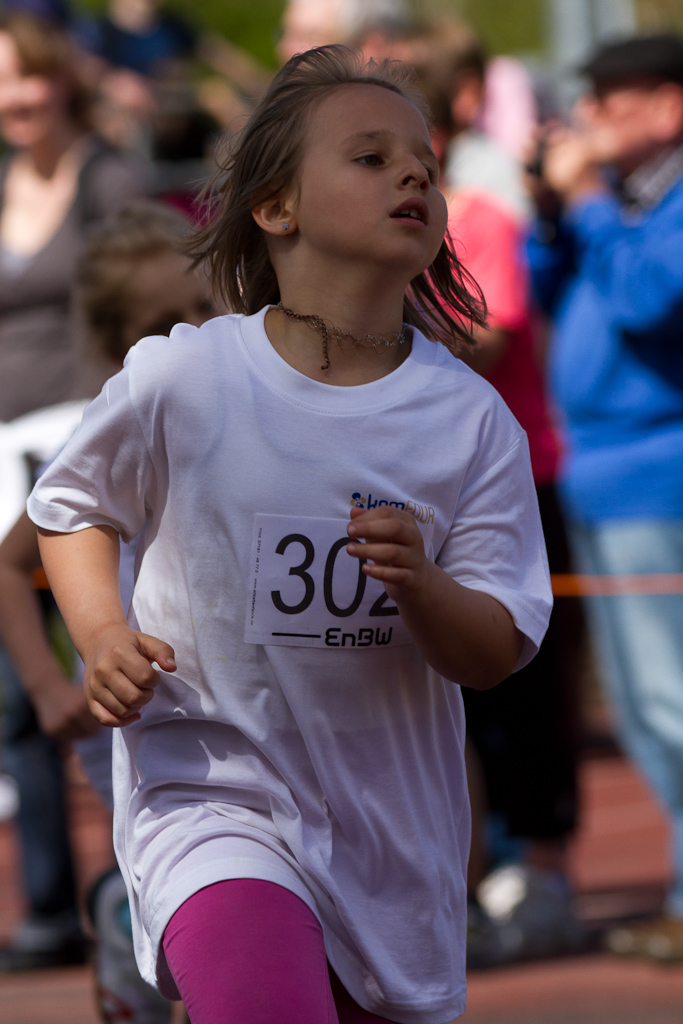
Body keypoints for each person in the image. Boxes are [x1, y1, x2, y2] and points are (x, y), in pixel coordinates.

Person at [28, 46, 551, 1023]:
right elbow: (70, 508)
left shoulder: (470, 422)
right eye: (370, 157)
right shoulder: (185, 377)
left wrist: (424, 587)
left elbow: (493, 651)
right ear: (275, 208)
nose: (412, 176)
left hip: (386, 834)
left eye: (426, 166)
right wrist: (99, 636)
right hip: (208, 799)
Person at [0, 201, 214, 1017]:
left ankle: (124, 917)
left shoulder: (258, 420)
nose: (192, 333)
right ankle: (121, 918)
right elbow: (8, 566)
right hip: (129, 730)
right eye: (163, 324)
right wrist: (47, 684)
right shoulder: (103, 440)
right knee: (176, 927)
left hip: (233, 716)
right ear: (117, 343)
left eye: (204, 307)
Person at [526, 33, 683, 962]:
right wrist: (556, 215)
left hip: (655, 475)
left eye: (607, 103)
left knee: (671, 698)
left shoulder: (659, 204)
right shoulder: (621, 202)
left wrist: (584, 201)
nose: (586, 121)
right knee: (637, 705)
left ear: (667, 106)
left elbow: (649, 300)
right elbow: (548, 291)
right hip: (600, 474)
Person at [0, 9, 142, 972]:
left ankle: (141, 889)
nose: (14, 98)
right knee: (22, 693)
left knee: (117, 661)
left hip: (84, 447)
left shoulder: (109, 179)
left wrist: (100, 435)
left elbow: (133, 310)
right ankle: (52, 903)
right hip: (3, 454)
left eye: (27, 76)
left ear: (61, 81)